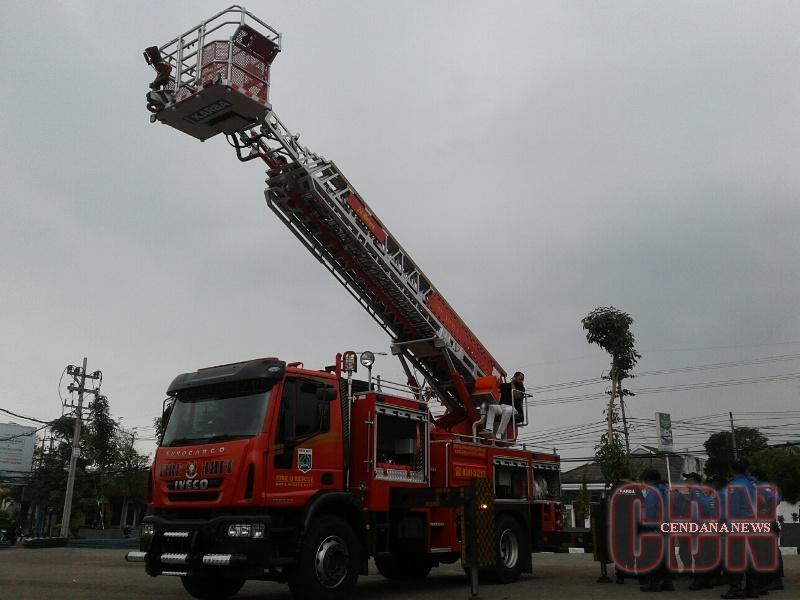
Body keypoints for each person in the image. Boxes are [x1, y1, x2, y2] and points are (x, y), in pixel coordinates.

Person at [640, 468, 675, 593]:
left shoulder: (653, 492)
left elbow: (650, 511)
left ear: (648, 480)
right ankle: (668, 582)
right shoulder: (666, 489)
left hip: (656, 529)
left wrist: (650, 527)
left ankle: (653, 584)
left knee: (654, 557)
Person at [483, 371, 525, 439]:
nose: (522, 381)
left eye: (522, 379)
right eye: (520, 379)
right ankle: (489, 429)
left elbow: (515, 396)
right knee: (492, 407)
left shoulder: (521, 389)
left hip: (513, 409)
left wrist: (512, 383)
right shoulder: (504, 385)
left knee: (507, 410)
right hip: (502, 406)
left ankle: (500, 433)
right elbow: (496, 391)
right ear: (515, 377)